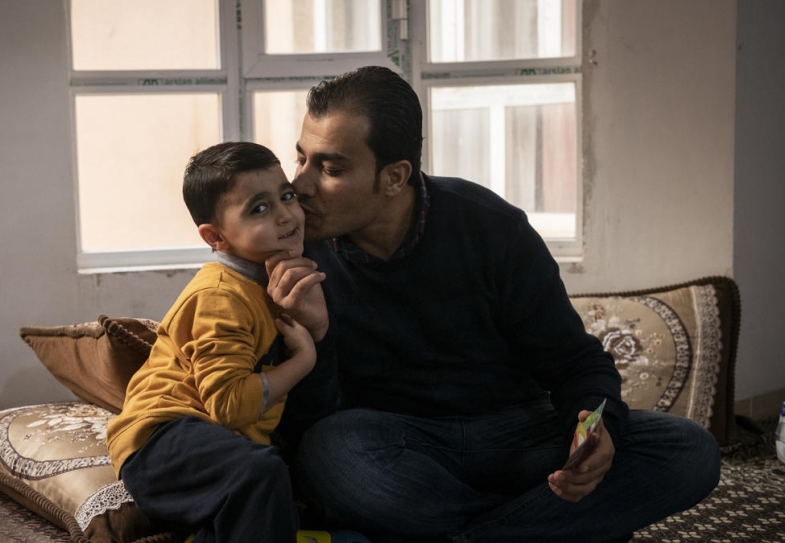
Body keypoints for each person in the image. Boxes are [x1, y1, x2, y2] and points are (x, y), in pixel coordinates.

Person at [266, 66, 721, 543]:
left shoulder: (489, 227)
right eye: (301, 159)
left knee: (689, 449)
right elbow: (306, 422)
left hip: (518, 436)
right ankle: (543, 528)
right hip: (403, 446)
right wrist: (312, 340)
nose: (301, 185)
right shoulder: (295, 252)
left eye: (331, 168)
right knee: (328, 453)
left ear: (395, 176)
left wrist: (594, 426)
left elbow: (574, 361)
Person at [106, 141, 322, 543]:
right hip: (161, 444)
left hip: (220, 446)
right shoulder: (220, 295)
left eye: (286, 195)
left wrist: (317, 327)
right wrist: (305, 357)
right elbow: (228, 406)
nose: (285, 215)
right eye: (259, 208)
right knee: (260, 474)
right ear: (216, 236)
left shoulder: (276, 276)